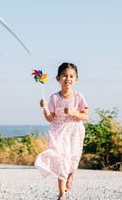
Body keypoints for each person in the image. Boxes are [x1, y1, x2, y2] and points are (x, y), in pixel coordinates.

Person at [34, 62, 89, 200]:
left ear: (76, 79)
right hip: (59, 132)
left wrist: (72, 112)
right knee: (61, 161)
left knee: (73, 159)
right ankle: (61, 194)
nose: (68, 79)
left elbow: (86, 116)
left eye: (71, 76)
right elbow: (50, 118)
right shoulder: (54, 98)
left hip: (74, 132)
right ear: (58, 78)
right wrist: (45, 108)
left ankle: (70, 176)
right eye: (64, 76)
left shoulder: (79, 97)